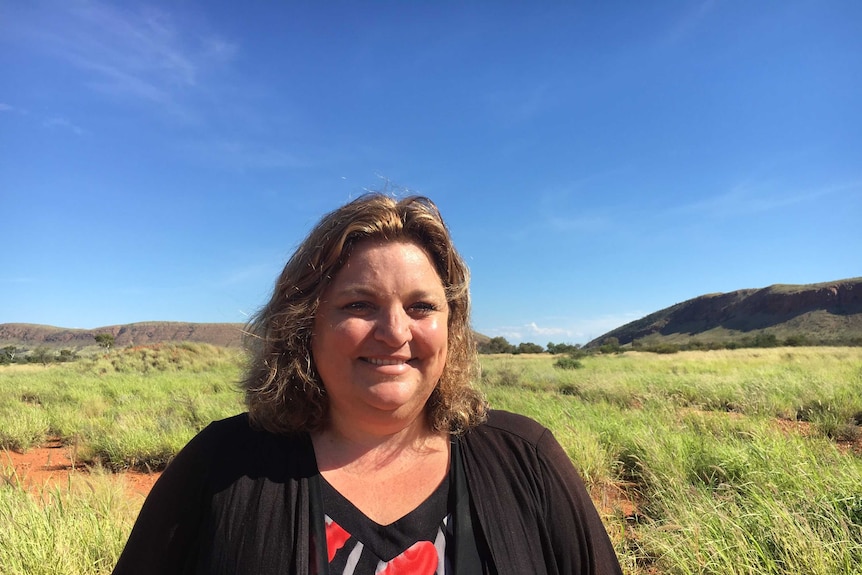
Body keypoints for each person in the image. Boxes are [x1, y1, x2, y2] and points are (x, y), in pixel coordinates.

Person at [112, 193, 623, 575]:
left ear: (452, 327)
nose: (395, 332)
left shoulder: (526, 460)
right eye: (359, 305)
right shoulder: (221, 467)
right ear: (303, 325)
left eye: (421, 307)